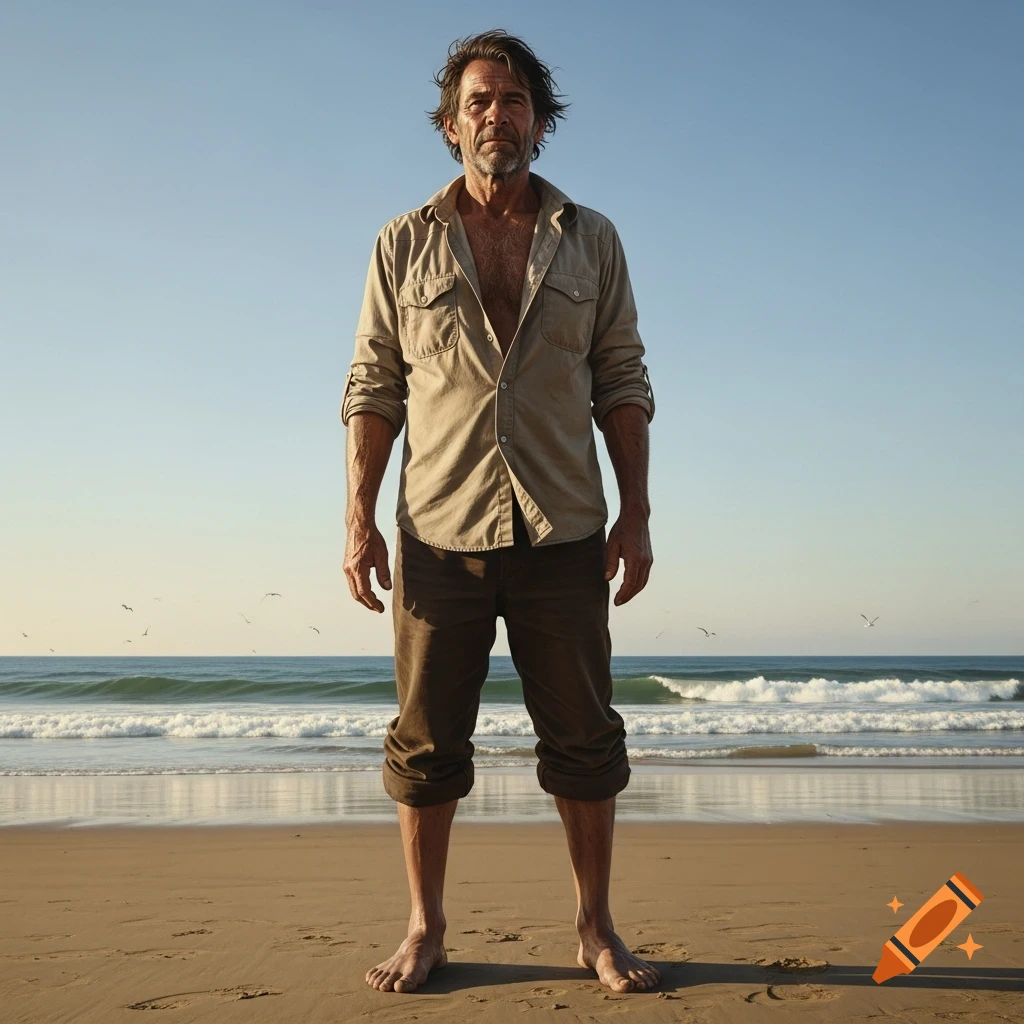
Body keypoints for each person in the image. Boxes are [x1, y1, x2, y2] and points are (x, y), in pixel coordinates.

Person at [340, 29, 657, 995]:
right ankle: (426, 926)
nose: (496, 115)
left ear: (539, 120)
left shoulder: (592, 238)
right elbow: (373, 384)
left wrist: (636, 511)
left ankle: (595, 928)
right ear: (450, 125)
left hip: (564, 529)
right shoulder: (402, 243)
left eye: (514, 100)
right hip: (439, 529)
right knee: (427, 744)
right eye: (478, 101)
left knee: (587, 741)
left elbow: (622, 378)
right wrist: (357, 517)